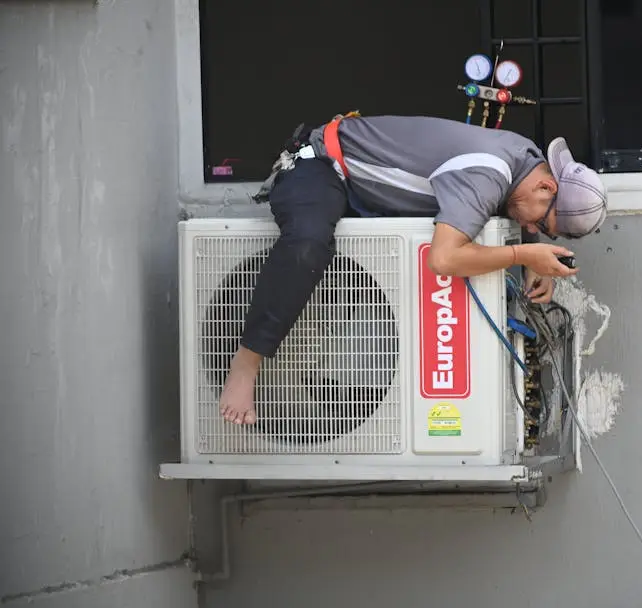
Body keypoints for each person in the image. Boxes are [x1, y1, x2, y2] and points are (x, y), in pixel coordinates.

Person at [219, 113, 609, 425]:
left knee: (343, 288)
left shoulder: (526, 158)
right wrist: (523, 255)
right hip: (321, 165)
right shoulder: (488, 174)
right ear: (548, 187)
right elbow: (443, 259)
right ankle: (246, 363)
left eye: (540, 231)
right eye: (542, 223)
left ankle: (309, 384)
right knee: (307, 244)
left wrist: (534, 253)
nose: (529, 229)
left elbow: (517, 211)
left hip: (365, 195)